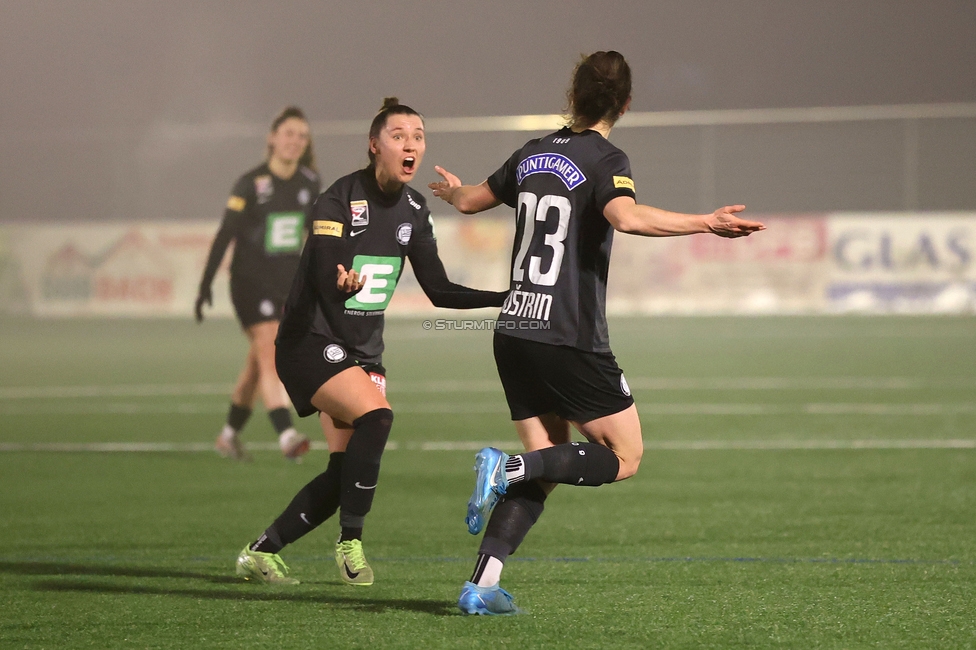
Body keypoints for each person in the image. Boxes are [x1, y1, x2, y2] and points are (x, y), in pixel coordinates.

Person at [429, 51, 766, 615]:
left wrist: (455, 191)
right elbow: (626, 217)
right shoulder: (606, 157)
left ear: (573, 96)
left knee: (549, 461)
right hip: (567, 335)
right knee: (624, 455)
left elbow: (468, 202)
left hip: (514, 331)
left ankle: (480, 586)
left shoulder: (532, 153)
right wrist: (705, 222)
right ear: (626, 104)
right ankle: (508, 465)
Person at [234, 97, 509, 586]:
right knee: (378, 417)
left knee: (345, 474)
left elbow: (440, 291)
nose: (411, 144)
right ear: (374, 144)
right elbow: (324, 271)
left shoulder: (414, 209)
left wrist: (505, 296)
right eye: (399, 135)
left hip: (360, 354)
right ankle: (350, 544)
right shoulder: (339, 198)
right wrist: (339, 281)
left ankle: (261, 551)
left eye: (418, 136)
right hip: (308, 340)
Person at [196, 106, 320, 462]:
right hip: (249, 282)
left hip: (287, 284)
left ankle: (228, 435)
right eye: (288, 133)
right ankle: (286, 435)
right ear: (272, 138)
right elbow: (226, 233)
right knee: (270, 348)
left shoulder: (310, 182)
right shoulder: (250, 183)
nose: (295, 141)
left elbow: (316, 238)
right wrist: (205, 283)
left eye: (302, 135)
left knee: (257, 363)